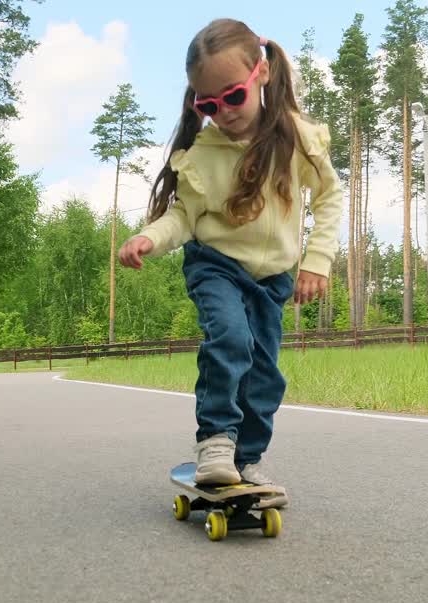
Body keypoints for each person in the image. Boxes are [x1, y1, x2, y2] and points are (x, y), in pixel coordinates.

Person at [117, 18, 343, 496]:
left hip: (273, 278)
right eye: (208, 104)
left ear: (260, 73)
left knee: (265, 375)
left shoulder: (296, 138)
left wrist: (316, 260)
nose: (222, 112)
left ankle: (247, 459)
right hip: (215, 265)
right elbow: (183, 217)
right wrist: (149, 239)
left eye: (232, 96)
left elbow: (329, 197)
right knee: (231, 339)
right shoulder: (204, 152)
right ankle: (216, 441)